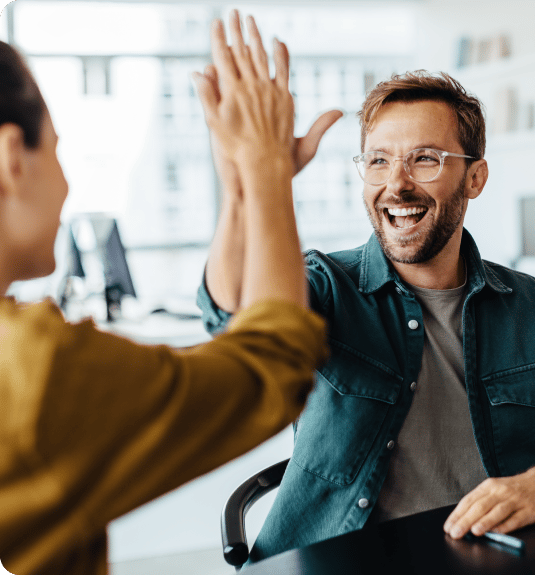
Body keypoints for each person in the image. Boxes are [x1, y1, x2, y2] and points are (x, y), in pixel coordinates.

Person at [197, 52, 535, 562]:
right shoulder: (327, 286)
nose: (396, 184)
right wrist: (249, 186)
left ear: (475, 178)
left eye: (424, 159)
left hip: (483, 558)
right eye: (378, 160)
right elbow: (234, 317)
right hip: (331, 558)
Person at [0, 12, 329, 575]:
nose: (68, 183)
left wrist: (246, 187)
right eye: (56, 151)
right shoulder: (31, 368)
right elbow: (270, 365)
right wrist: (267, 165)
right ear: (11, 159)